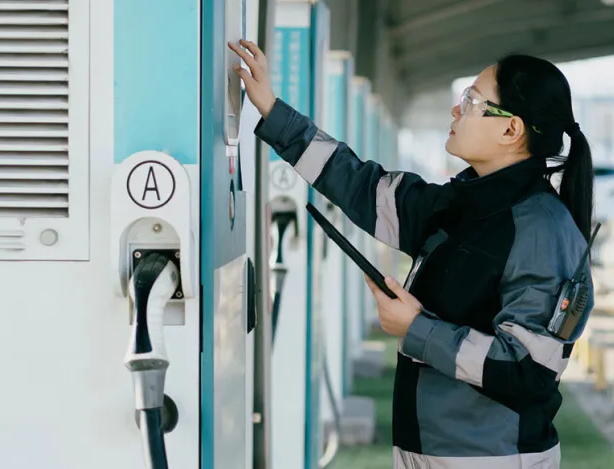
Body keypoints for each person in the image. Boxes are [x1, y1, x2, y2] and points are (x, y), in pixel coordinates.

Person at [230, 39, 594, 469]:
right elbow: (361, 186)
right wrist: (273, 111)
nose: (457, 111)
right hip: (434, 450)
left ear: (511, 129)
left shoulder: (543, 231)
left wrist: (415, 327)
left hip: (489, 458)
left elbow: (527, 371)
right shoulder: (460, 205)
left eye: (472, 101)